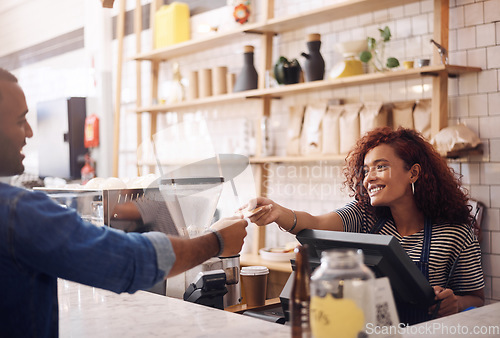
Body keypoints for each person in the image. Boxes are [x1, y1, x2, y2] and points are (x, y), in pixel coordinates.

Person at [0, 68, 249, 337]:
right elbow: (127, 260)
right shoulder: (16, 213)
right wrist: (217, 241)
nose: (30, 132)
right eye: (20, 121)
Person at [248, 126, 484, 324]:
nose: (368, 178)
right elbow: (316, 224)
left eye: (380, 167)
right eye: (366, 170)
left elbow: (477, 299)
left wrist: (457, 303)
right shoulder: (364, 216)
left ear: (413, 173)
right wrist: (279, 212)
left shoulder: (455, 233)